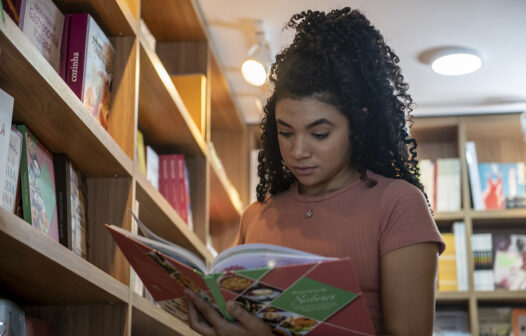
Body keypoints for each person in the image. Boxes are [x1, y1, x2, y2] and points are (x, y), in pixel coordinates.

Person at [184, 7, 445, 336]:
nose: (297, 151)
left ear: (358, 122)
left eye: (320, 134)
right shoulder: (256, 217)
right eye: (285, 132)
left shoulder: (398, 205)